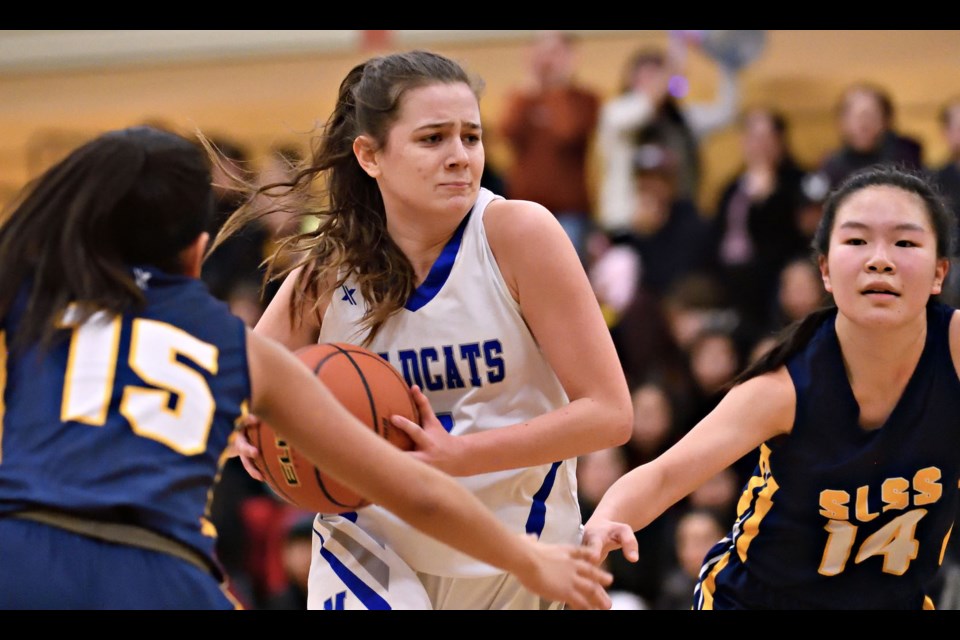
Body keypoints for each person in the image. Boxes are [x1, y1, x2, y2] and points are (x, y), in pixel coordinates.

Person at [0, 125, 617, 610]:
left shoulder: (33, 297)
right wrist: (528, 559)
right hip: (159, 572)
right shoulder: (236, 348)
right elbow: (412, 488)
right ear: (198, 247)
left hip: (19, 554)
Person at [222, 49, 633, 610]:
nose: (460, 157)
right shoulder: (328, 269)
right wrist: (247, 426)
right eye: (433, 139)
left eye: (471, 136)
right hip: (367, 548)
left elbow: (609, 413)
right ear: (369, 155)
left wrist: (464, 455)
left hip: (518, 553)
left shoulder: (518, 234)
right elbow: (238, 386)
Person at [582, 164, 960, 610]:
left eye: (905, 242)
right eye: (857, 240)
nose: (880, 258)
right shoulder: (785, 387)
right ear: (824, 270)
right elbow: (665, 475)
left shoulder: (952, 350)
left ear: (940, 272)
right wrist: (604, 521)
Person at [596, 33, 742, 234]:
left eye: (656, 76)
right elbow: (646, 105)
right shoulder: (617, 113)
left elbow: (725, 113)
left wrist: (726, 62)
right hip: (626, 224)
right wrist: (674, 61)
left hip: (676, 225)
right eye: (646, 77)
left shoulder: (681, 120)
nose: (655, 84)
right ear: (631, 81)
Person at [499, 30, 601, 266]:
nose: (546, 60)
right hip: (524, 208)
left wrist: (557, 87)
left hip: (570, 212)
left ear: (570, 56)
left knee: (566, 273)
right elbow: (507, 131)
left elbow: (568, 133)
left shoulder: (585, 99)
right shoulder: (523, 96)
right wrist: (530, 87)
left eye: (554, 52)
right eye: (540, 51)